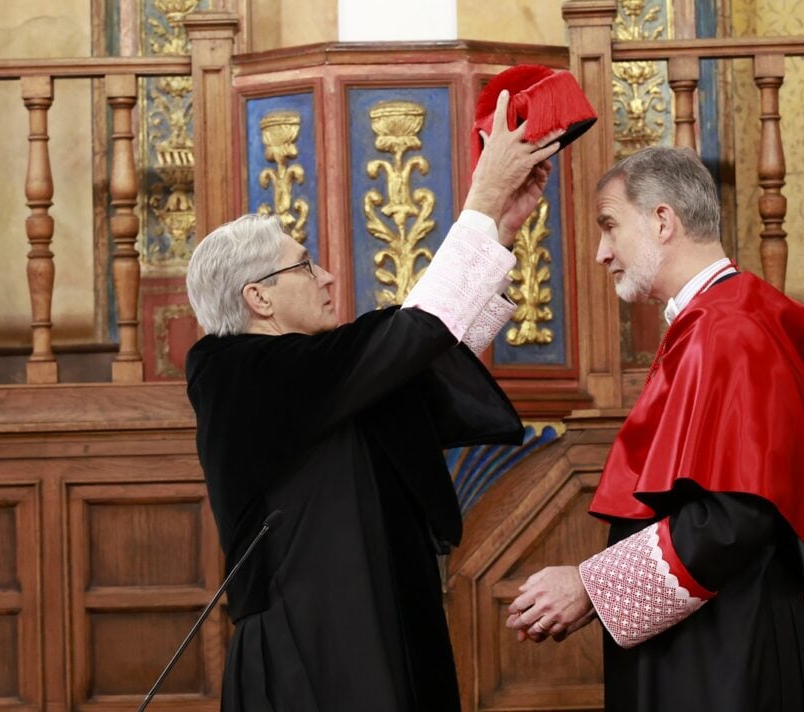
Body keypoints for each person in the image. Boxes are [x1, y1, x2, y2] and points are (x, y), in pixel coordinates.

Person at [184, 90, 562, 711]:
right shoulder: (238, 375)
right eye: (307, 267)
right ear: (259, 298)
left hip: (377, 624)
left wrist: (502, 230)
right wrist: (481, 203)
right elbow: (413, 333)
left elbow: (420, 358)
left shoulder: (315, 376)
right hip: (312, 652)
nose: (328, 277)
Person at [505, 146, 804, 711]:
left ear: (662, 221)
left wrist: (591, 585)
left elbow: (733, 519)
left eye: (610, 226)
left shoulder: (727, 329)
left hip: (724, 649)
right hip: (720, 632)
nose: (602, 253)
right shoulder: (723, 317)